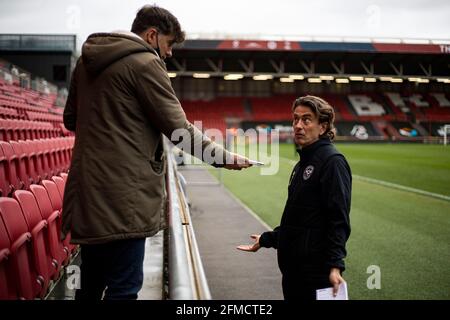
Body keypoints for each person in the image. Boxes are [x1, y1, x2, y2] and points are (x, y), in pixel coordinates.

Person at [62, 5, 251, 300]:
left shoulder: (85, 63)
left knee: (89, 285)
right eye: (169, 43)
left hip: (88, 193)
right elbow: (179, 131)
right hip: (125, 199)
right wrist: (224, 158)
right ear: (152, 35)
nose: (170, 53)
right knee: (124, 289)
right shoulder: (145, 63)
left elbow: (70, 120)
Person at [237, 95, 351, 300]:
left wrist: (336, 266)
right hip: (293, 273)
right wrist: (267, 239)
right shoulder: (303, 163)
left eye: (306, 120)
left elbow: (338, 220)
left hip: (315, 275)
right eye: (295, 119)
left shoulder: (332, 162)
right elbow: (299, 220)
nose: (298, 125)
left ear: (323, 127)